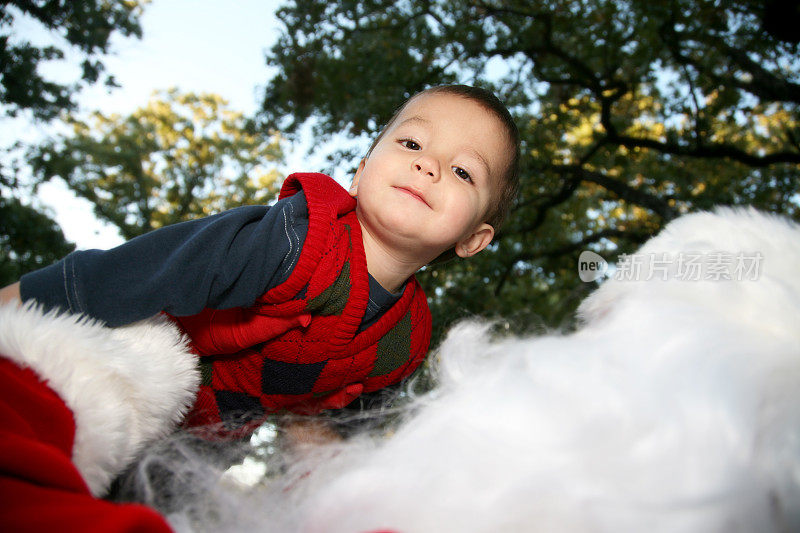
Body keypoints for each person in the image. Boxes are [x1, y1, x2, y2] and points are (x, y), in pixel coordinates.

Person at [0, 83, 520, 501]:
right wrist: (21, 299)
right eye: (411, 143)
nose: (428, 165)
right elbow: (153, 267)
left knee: (155, 506)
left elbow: (332, 430)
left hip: (211, 439)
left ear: (473, 239)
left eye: (461, 171)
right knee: (50, 454)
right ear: (361, 173)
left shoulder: (404, 340)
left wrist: (327, 484)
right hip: (141, 360)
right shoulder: (297, 240)